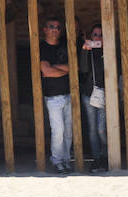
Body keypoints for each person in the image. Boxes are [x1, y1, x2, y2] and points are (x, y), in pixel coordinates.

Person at [40, 17, 72, 174]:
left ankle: (66, 159)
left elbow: (75, 67)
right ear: (45, 29)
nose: (55, 29)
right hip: (52, 96)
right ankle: (57, 160)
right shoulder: (42, 48)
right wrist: (65, 69)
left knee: (68, 131)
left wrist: (55, 68)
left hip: (69, 94)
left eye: (58, 27)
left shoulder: (65, 46)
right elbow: (46, 71)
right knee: (58, 130)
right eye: (51, 26)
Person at [80, 25, 107, 173]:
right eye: (95, 35)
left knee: (101, 129)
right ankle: (97, 159)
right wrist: (85, 51)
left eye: (101, 35)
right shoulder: (88, 51)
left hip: (103, 94)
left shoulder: (108, 51)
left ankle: (105, 157)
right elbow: (83, 69)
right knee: (92, 130)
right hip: (88, 94)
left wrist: (104, 48)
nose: (98, 38)